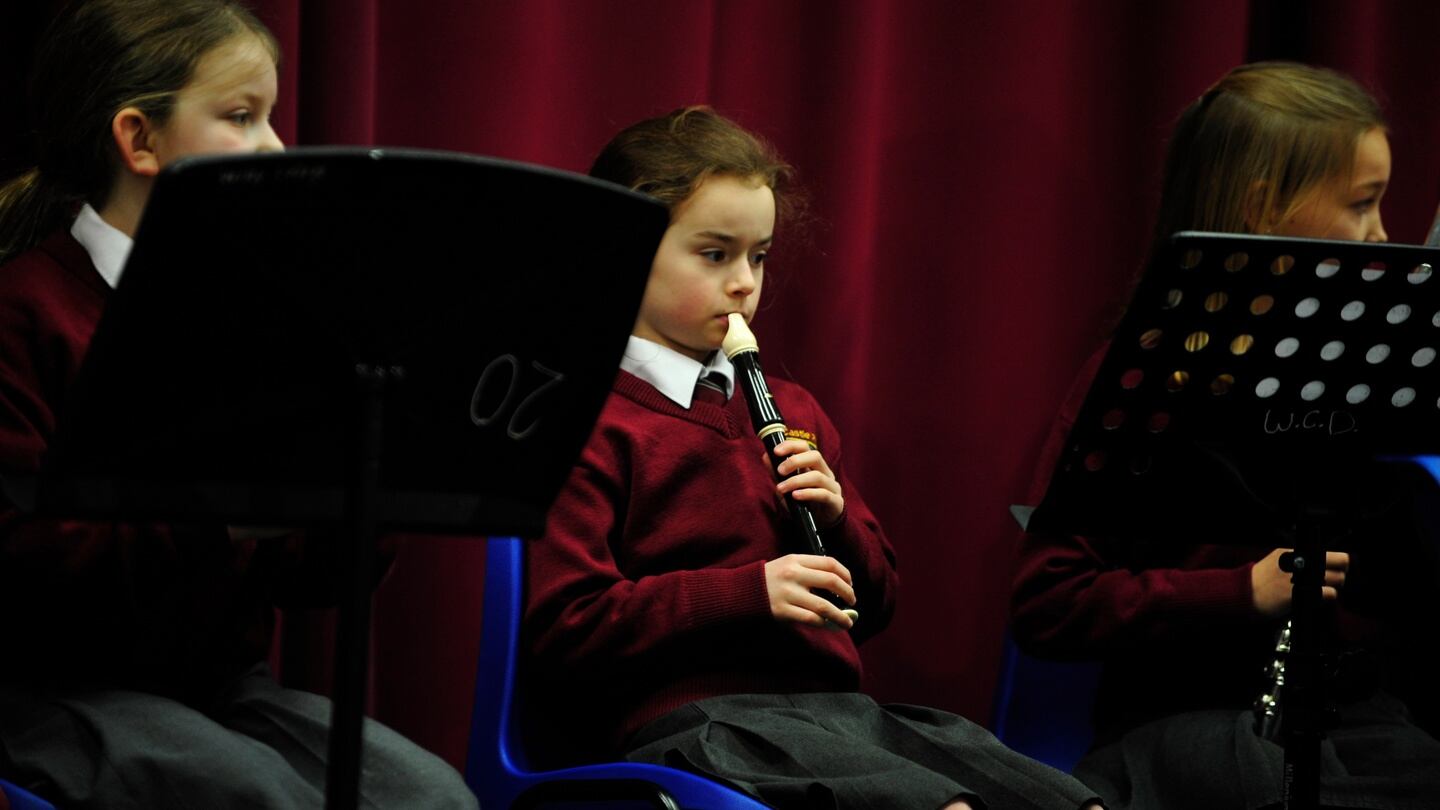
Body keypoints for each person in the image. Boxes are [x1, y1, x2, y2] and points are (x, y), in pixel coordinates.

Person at [524, 106, 1104, 810]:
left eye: (758, 256)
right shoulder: (588, 418)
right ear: (625, 247)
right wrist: (749, 592)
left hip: (833, 713)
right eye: (715, 254)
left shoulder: (791, 411)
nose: (744, 283)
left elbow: (876, 603)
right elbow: (565, 627)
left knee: (1064, 801)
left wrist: (834, 519)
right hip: (697, 723)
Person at [0, 1, 476, 807]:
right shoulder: (26, 311)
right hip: (49, 687)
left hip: (217, 688)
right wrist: (218, 516)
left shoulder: (263, 320)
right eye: (241, 117)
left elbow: (317, 582)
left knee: (432, 798)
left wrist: (357, 484)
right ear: (139, 140)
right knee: (254, 797)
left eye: (272, 117)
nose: (277, 148)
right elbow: (20, 558)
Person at [1011, 61, 1440, 810]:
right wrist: (1242, 591)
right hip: (1185, 725)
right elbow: (1050, 603)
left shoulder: (1369, 368)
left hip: (1353, 724)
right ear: (1261, 207)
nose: (1383, 235)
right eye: (1362, 205)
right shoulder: (1145, 378)